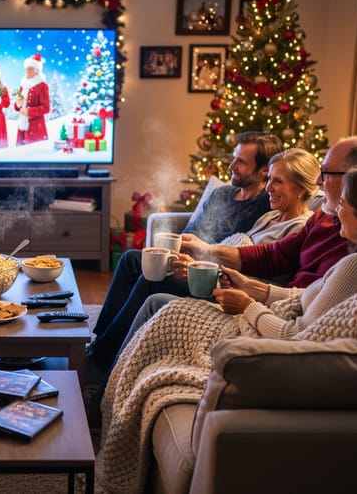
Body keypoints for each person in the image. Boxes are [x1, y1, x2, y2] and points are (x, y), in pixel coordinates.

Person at [96, 163, 357, 492]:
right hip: (268, 311)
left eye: (345, 202)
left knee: (169, 314)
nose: (337, 208)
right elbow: (306, 297)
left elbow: (296, 336)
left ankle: (102, 397)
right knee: (164, 306)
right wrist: (252, 287)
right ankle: (101, 374)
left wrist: (249, 305)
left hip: (263, 331)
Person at [88, 146, 317, 371]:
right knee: (132, 260)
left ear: (300, 187)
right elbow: (239, 248)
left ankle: (102, 357)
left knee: (152, 280)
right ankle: (101, 341)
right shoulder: (270, 216)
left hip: (231, 288)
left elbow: (265, 277)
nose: (268, 187)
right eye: (270, 179)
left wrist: (201, 267)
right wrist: (199, 255)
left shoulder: (299, 227)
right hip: (220, 271)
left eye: (278, 181)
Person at [183, 135, 357, 289]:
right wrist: (205, 250)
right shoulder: (324, 214)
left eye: (326, 173)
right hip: (274, 303)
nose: (318, 182)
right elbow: (274, 255)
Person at [15, 53, 50, 145]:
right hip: (22, 125)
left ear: (36, 70)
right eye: (26, 69)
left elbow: (46, 108)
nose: (27, 71)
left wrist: (29, 111)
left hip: (36, 127)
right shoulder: (23, 84)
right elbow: (18, 107)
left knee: (34, 150)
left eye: (30, 69)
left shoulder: (42, 86)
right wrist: (18, 104)